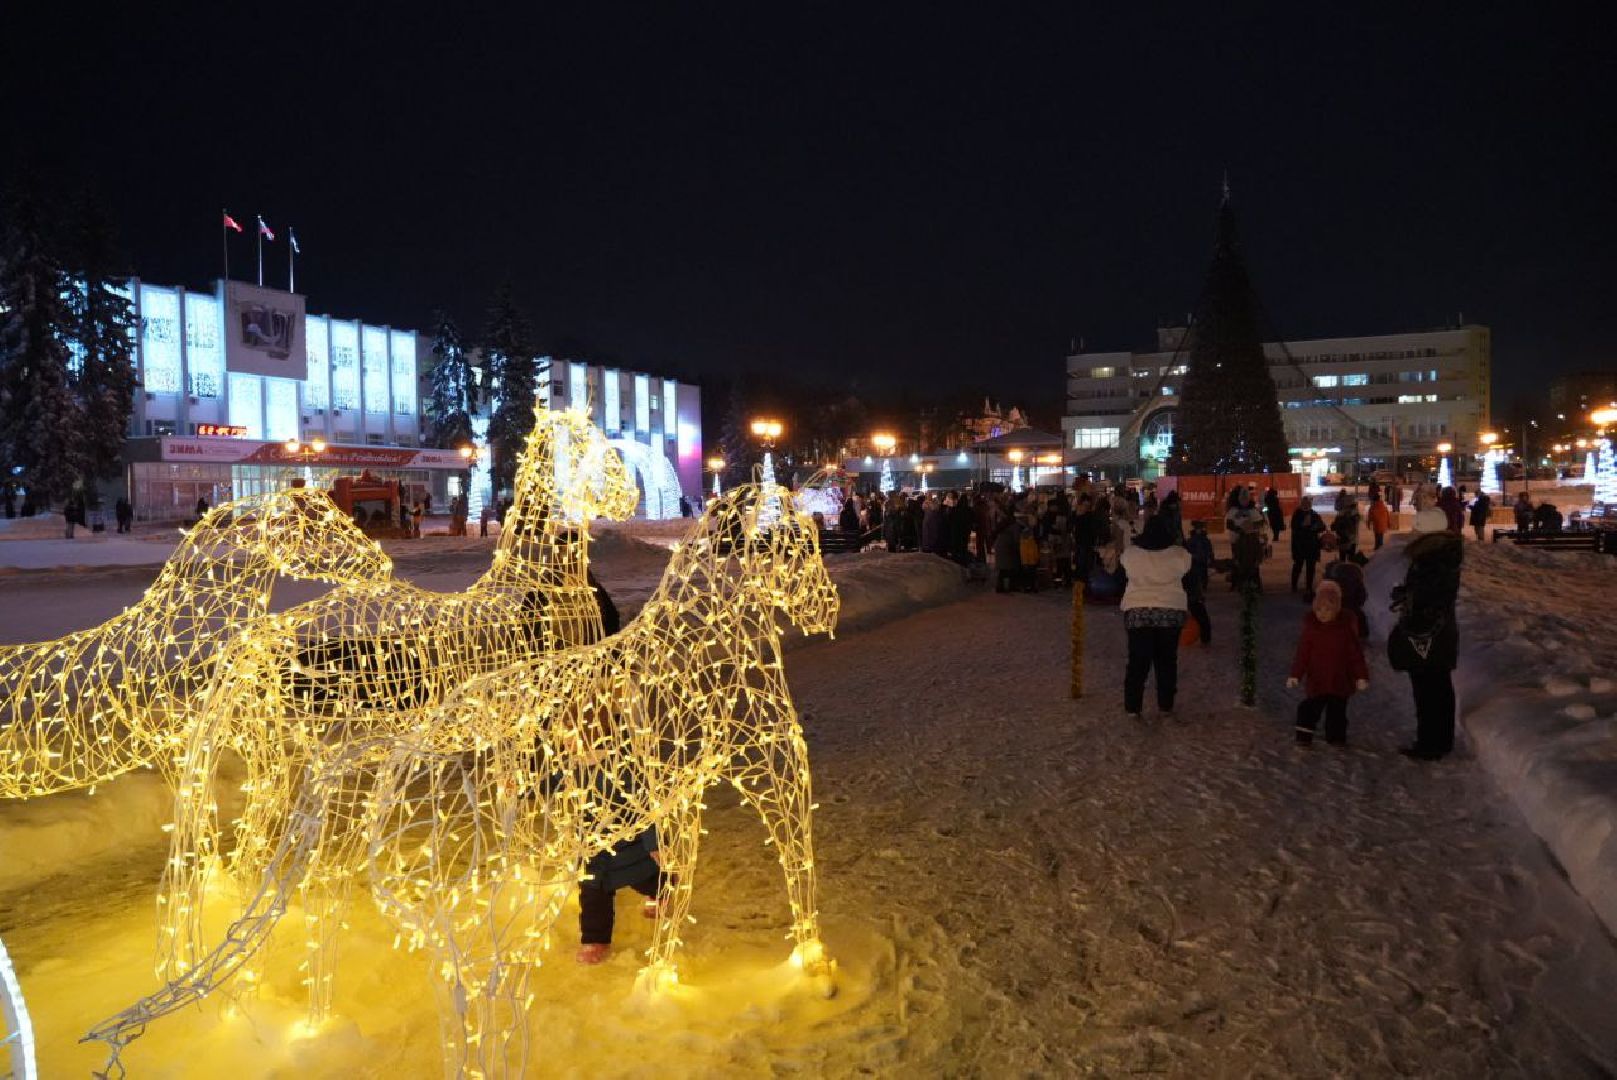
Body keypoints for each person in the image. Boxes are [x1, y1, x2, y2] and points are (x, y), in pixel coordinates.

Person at [1389, 506, 1463, 761]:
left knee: (1429, 689)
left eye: (1417, 527)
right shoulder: (1440, 555)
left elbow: (1431, 597)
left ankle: (1430, 744)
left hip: (1428, 634)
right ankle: (1438, 741)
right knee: (1437, 686)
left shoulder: (1433, 559)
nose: (1413, 532)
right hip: (1437, 633)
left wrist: (1412, 604)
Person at [1119, 514, 1192, 719]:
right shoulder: (1179, 554)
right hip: (1170, 611)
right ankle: (1165, 704)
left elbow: (1122, 568)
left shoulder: (1132, 554)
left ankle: (1133, 706)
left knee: (1138, 661)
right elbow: (1188, 570)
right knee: (1166, 660)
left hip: (1138, 611)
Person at [1285, 581, 1369, 746]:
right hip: (1318, 678)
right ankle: (1304, 734)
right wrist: (1295, 674)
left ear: (1336, 610)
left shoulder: (1345, 630)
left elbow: (1356, 656)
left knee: (1337, 712)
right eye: (1319, 609)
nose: (1322, 614)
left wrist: (1361, 677)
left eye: (1327, 609)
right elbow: (1302, 654)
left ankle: (1336, 737)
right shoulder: (1311, 630)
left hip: (1340, 679)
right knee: (1309, 708)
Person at [1225, 485, 1268, 592]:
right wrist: (1239, 529)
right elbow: (1229, 524)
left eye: (1246, 499)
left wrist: (1251, 527)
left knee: (1253, 564)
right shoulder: (1234, 510)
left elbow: (1260, 522)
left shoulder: (1252, 510)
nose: (1244, 501)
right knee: (1238, 562)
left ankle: (1256, 585)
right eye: (1242, 499)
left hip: (1251, 540)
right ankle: (1237, 583)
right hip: (1237, 540)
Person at [1183, 518, 1213, 644]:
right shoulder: (1191, 542)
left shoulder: (1196, 542)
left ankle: (1205, 637)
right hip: (1190, 581)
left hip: (1190, 579)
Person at [1289, 496, 1326, 598]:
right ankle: (1294, 585)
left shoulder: (1314, 514)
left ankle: (1309, 586)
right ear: (1301, 503)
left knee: (1311, 567)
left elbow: (1322, 526)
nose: (1306, 505)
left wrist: (1316, 527)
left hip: (1312, 545)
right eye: (1304, 503)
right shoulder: (1297, 514)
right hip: (1299, 545)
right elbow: (1293, 526)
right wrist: (1303, 526)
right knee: (1298, 565)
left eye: (1308, 503)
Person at [1331, 496, 1361, 563]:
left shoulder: (1344, 514)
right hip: (1350, 539)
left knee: (1344, 558)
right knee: (1349, 558)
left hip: (1345, 539)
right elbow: (1334, 526)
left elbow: (1334, 527)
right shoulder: (1355, 514)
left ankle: (1345, 571)